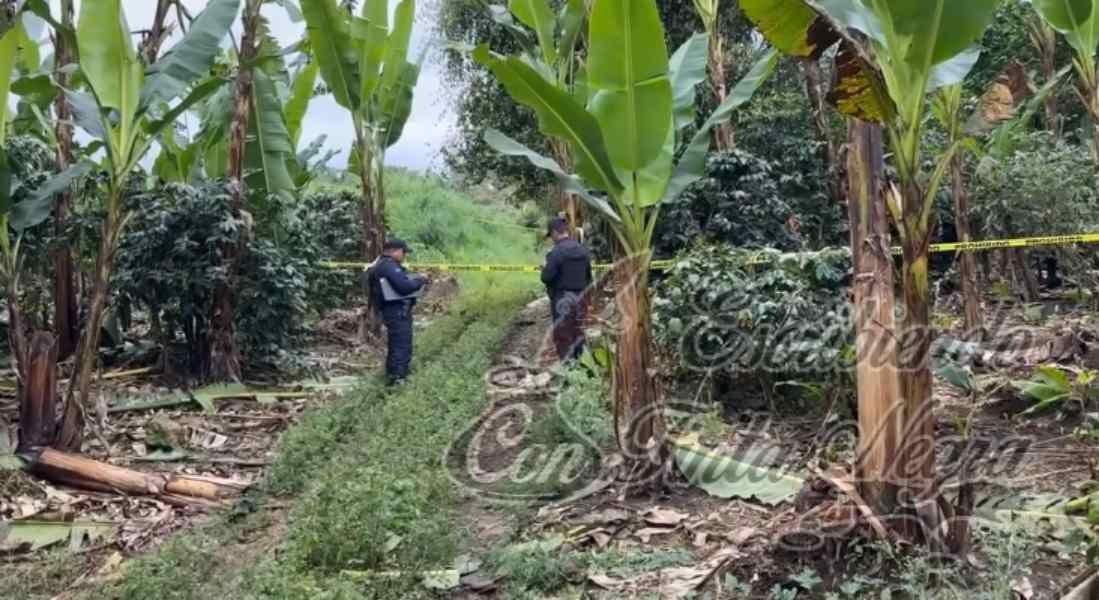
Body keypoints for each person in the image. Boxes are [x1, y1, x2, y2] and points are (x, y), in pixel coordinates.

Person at [366, 239, 428, 385]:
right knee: (402, 345)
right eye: (403, 252)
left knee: (396, 345)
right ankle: (399, 379)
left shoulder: (382, 264)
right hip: (397, 312)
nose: (405, 255)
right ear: (394, 250)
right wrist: (421, 280)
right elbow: (404, 287)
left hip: (393, 311)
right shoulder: (388, 266)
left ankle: (392, 376)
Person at [541, 217, 592, 362]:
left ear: (555, 232)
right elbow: (589, 277)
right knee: (578, 332)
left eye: (551, 236)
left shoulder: (556, 252)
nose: (552, 239)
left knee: (563, 336)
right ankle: (582, 367)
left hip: (562, 300)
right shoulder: (583, 250)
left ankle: (568, 371)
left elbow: (546, 277)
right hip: (581, 299)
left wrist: (544, 268)